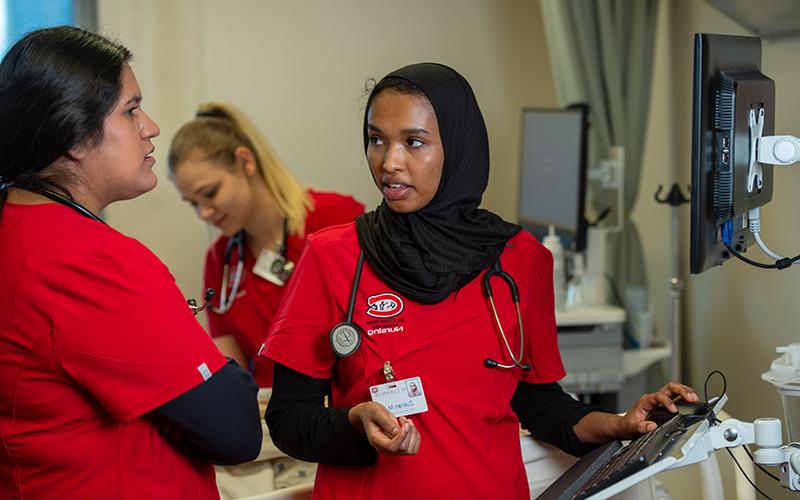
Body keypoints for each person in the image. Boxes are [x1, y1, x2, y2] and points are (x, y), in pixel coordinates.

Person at [261, 62, 698, 499]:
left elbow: (540, 405)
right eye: (377, 140)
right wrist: (353, 421)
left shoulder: (521, 261)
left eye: (414, 142)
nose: (389, 162)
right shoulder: (333, 257)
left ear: (458, 147)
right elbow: (288, 419)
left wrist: (618, 423)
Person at [0, 26, 261, 499]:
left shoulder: (15, 229)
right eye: (131, 110)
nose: (151, 127)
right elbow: (236, 429)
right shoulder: (90, 262)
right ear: (74, 136)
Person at [168, 102, 365, 388]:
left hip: (344, 406)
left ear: (245, 162)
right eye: (193, 204)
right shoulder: (220, 261)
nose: (204, 213)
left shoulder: (336, 219)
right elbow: (230, 369)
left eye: (210, 193)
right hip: (268, 416)